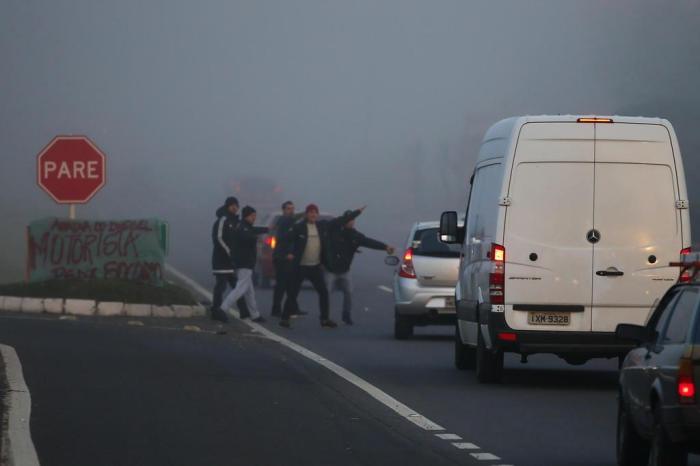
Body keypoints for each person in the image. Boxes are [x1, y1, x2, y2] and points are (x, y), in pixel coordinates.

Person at [279, 205, 364, 329]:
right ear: (306, 214)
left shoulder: (321, 226)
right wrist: (287, 253)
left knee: (323, 292)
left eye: (315, 213)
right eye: (311, 212)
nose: (313, 215)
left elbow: (339, 221)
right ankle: (285, 318)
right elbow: (284, 240)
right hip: (301, 266)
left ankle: (324, 319)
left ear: (317, 215)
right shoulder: (299, 227)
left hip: (315, 266)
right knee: (293, 293)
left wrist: (356, 212)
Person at [324, 210, 395, 325]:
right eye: (348, 220)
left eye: (352, 220)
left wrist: (385, 247)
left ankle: (346, 316)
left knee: (348, 293)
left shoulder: (355, 235)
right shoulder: (334, 231)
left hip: (345, 270)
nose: (350, 222)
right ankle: (325, 317)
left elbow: (368, 242)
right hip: (331, 270)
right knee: (326, 294)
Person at [221, 206, 269, 323]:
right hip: (244, 263)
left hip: (246, 263)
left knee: (249, 291)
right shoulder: (242, 228)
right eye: (252, 216)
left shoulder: (246, 227)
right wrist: (256, 238)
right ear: (246, 216)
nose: (254, 218)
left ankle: (255, 315)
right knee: (241, 288)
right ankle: (223, 308)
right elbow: (247, 237)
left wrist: (267, 229)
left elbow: (254, 230)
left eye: (255, 216)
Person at [210, 196, 250, 323]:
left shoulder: (236, 222)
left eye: (236, 205)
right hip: (221, 260)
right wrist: (229, 252)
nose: (235, 207)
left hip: (232, 261)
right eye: (232, 205)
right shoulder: (223, 220)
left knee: (237, 286)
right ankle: (216, 310)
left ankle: (244, 311)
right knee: (221, 286)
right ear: (227, 206)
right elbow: (219, 238)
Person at [270, 201, 305, 317]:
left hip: (287, 257)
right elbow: (282, 240)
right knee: (281, 285)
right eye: (289, 209)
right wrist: (286, 253)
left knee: (290, 284)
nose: (291, 211)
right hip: (281, 257)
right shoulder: (284, 221)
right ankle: (276, 310)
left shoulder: (290, 222)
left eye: (292, 208)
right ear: (284, 210)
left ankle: (293, 308)